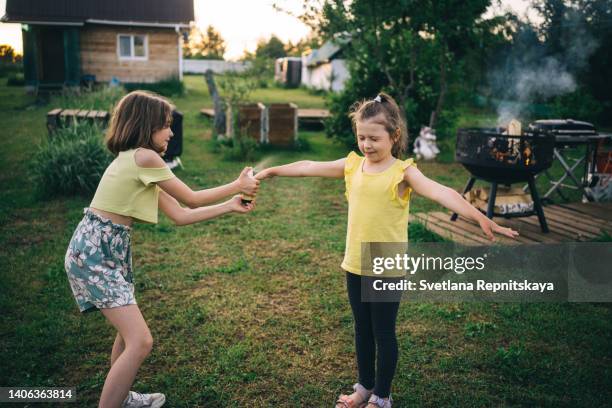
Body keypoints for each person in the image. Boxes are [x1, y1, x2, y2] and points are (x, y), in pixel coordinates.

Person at [255, 92, 518, 408]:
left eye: (374, 138)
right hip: (355, 262)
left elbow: (442, 192)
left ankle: (381, 396)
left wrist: (479, 217)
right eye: (361, 137)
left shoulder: (403, 172)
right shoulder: (353, 165)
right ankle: (364, 388)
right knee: (362, 330)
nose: (366, 144)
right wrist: (272, 171)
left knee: (382, 332)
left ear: (394, 137)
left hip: (386, 265)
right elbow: (310, 165)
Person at [64, 90, 259, 408]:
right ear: (147, 124)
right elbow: (191, 198)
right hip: (96, 255)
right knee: (140, 341)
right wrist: (237, 185)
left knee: (129, 337)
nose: (171, 132)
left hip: (104, 253)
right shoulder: (144, 157)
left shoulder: (136, 163)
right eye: (166, 125)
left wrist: (230, 206)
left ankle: (122, 398)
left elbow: (181, 215)